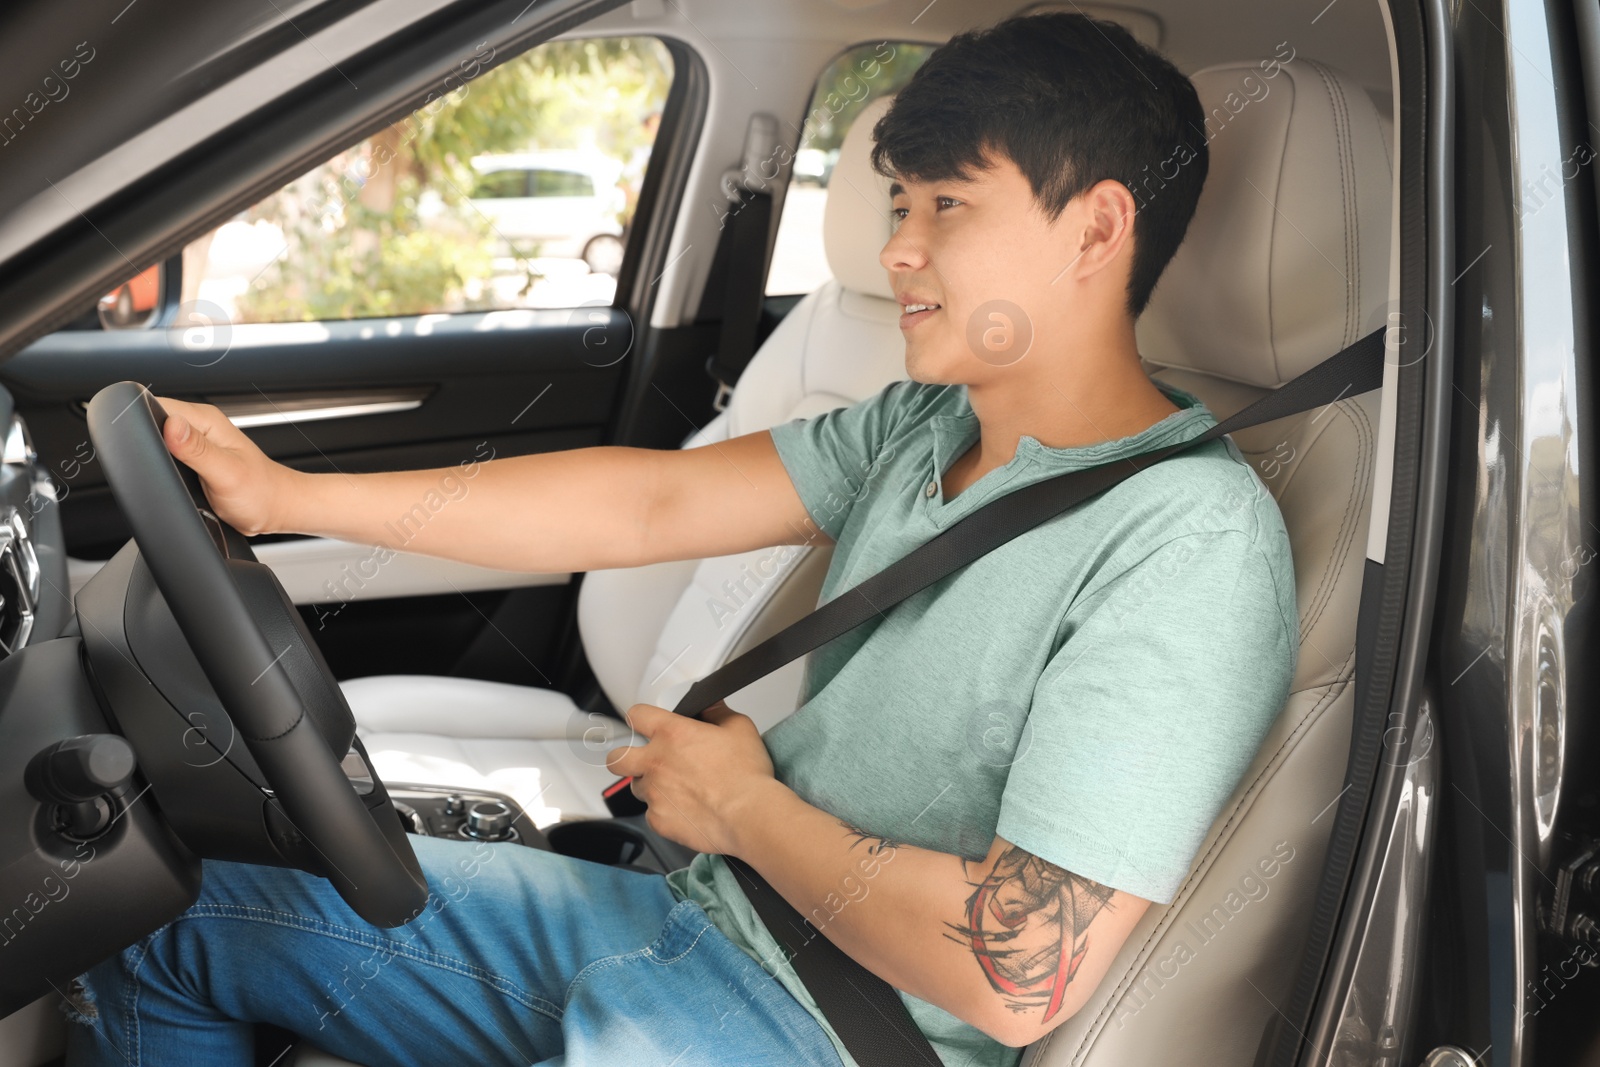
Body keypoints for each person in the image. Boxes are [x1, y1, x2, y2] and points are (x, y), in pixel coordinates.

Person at [64, 11, 1296, 1067]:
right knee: (161, 907)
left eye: (948, 207)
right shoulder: (924, 427)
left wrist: (746, 810)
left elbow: (1012, 973)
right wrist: (291, 498)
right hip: (700, 913)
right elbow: (650, 504)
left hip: (818, 1027)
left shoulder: (1187, 541)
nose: (896, 248)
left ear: (1094, 231)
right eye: (901, 203)